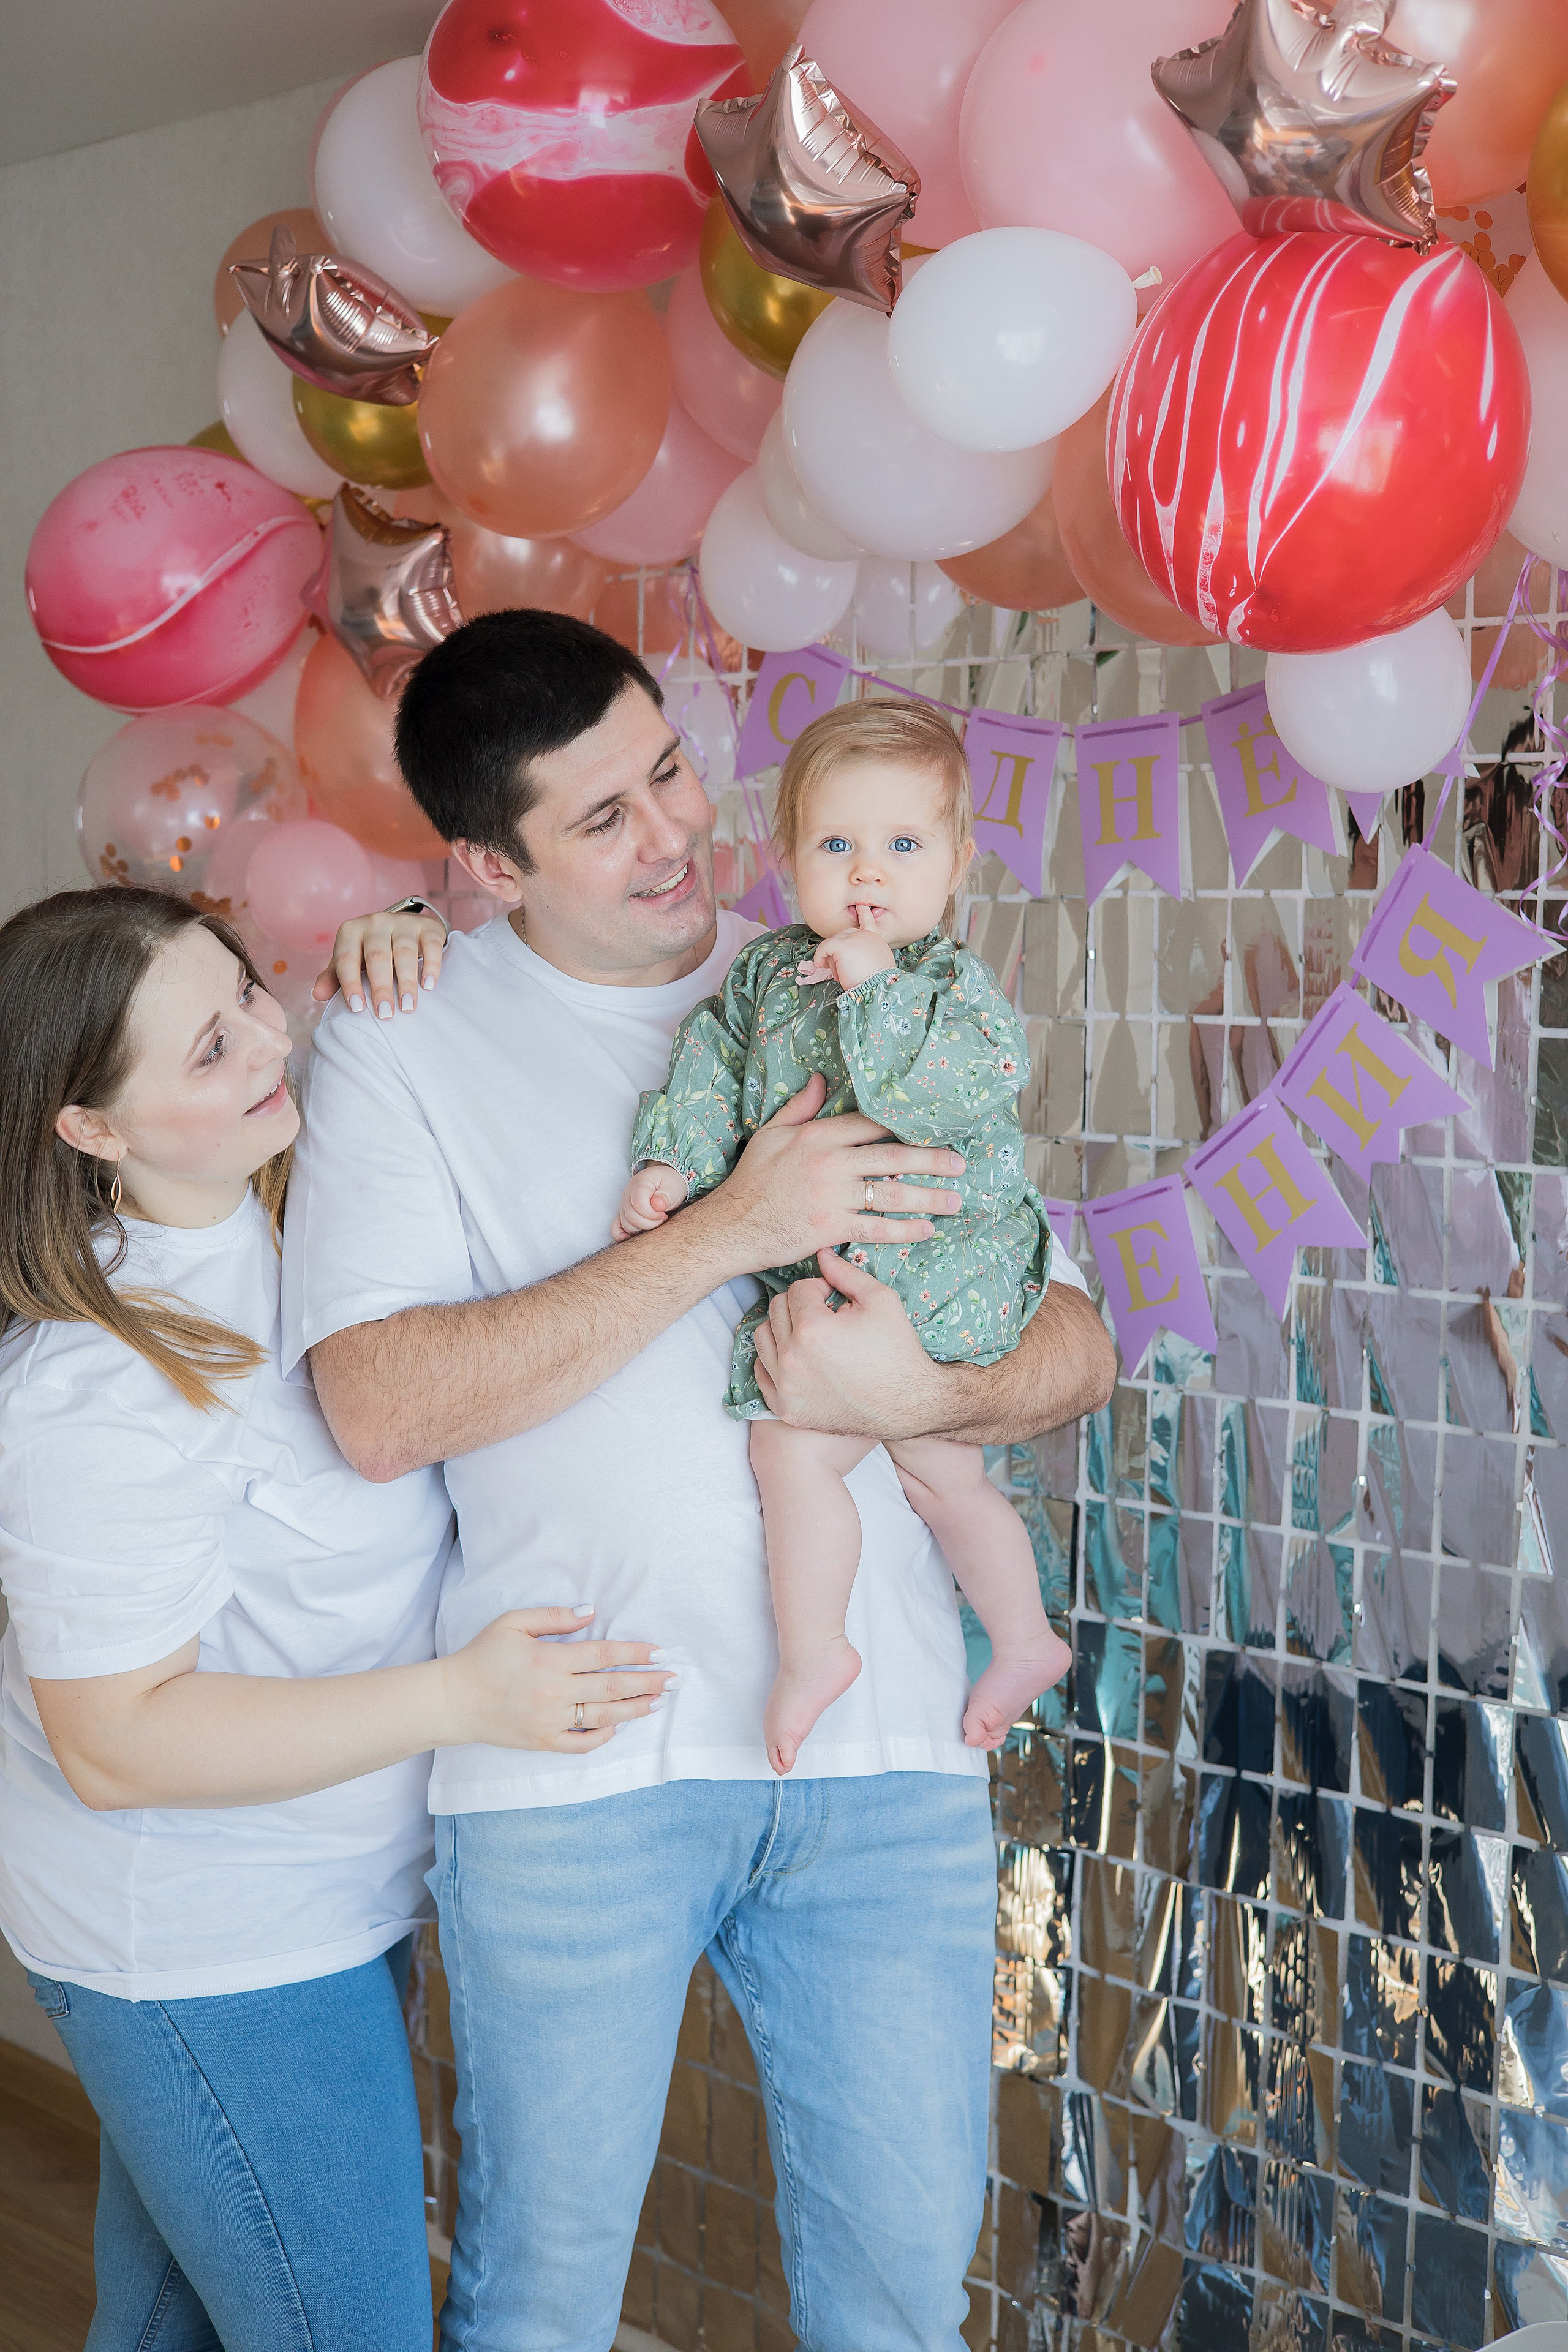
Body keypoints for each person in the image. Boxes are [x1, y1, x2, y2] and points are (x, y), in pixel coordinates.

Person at [293, 608, 1115, 2352]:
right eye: (601, 819)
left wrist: (931, 1382)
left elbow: (1081, 1349)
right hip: (578, 1761)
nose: (674, 833)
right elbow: (375, 1407)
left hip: (889, 1756)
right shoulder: (403, 1035)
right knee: (541, 2297)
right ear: (484, 865)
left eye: (667, 767)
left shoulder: (843, 981)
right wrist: (733, 1228)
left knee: (903, 2289)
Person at [0, 887, 668, 2352]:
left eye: (245, 993)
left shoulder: (287, 1221)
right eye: (205, 1050)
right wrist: (461, 1700)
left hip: (320, 1896)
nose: (264, 1040)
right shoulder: (96, 1392)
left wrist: (420, 915)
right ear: (90, 1129)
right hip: (200, 1939)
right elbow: (113, 1741)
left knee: (170, 2328)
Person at [616, 698, 1072, 1773]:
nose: (868, 873)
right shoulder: (765, 973)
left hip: (948, 1269)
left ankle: (817, 1649)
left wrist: (873, 988)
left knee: (794, 1449)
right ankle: (1022, 1641)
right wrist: (668, 1162)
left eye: (903, 846)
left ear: (958, 862)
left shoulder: (948, 987)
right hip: (852, 1265)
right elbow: (710, 1063)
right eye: (837, 845)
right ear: (787, 859)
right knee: (941, 1481)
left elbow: (955, 1100)